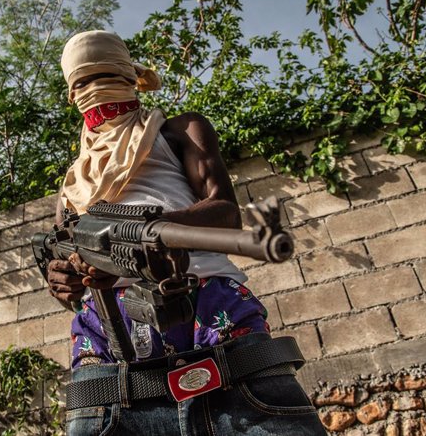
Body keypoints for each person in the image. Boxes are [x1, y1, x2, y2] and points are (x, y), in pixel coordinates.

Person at [45, 30, 325, 435]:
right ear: (71, 93)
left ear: (128, 75)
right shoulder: (73, 184)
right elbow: (65, 266)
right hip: (106, 335)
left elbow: (226, 212)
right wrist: (66, 280)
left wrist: (151, 229)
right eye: (82, 83)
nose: (94, 91)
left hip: (207, 301)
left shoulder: (178, 130)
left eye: (103, 76)